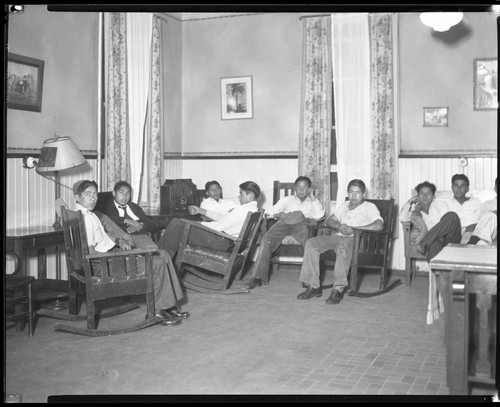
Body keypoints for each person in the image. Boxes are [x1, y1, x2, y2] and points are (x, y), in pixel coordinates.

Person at [72, 180, 190, 326]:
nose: (93, 198)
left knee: (163, 255)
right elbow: (91, 253)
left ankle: (170, 305)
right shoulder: (86, 218)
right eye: (87, 194)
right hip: (104, 264)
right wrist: (121, 257)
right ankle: (158, 310)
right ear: (77, 197)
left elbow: (101, 237)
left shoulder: (86, 214)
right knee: (158, 262)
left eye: (95, 194)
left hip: (109, 256)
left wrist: (118, 240)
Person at [297, 179, 383, 305]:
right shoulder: (345, 205)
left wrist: (355, 229)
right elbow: (330, 220)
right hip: (336, 236)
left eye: (357, 192)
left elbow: (378, 225)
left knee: (343, 246)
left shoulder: (370, 207)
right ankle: (313, 286)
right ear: (348, 193)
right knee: (311, 243)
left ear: (363, 194)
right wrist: (338, 226)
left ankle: (338, 289)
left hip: (355, 239)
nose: (354, 195)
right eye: (351, 192)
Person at [246, 176, 325, 289]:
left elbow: (319, 216)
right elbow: (268, 213)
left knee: (308, 239)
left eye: (304, 187)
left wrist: (312, 198)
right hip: (283, 224)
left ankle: (307, 279)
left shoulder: (313, 202)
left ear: (309, 189)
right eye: (298, 187)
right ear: (294, 188)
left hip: (302, 225)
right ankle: (257, 277)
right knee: (266, 240)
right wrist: (277, 215)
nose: (301, 190)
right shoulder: (286, 200)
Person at [157, 181, 261, 265]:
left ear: (250, 195)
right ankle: (162, 260)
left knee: (176, 223)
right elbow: (224, 218)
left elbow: (218, 226)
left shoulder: (241, 210)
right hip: (228, 241)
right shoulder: (253, 210)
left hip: (222, 241)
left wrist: (196, 223)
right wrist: (201, 211)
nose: (239, 196)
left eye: (241, 193)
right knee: (180, 224)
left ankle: (158, 261)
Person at [415, 174, 481, 260]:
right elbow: (426, 200)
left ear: (467, 189)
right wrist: (418, 206)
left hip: (469, 235)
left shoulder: (476, 202)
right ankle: (435, 272)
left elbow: (483, 219)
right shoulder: (444, 201)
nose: (459, 188)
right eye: (456, 185)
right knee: (451, 217)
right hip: (451, 235)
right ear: (452, 187)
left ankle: (424, 243)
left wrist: (475, 226)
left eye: (462, 186)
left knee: (452, 216)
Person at [104, 181, 158, 249]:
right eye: (121, 193)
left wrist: (139, 225)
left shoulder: (134, 207)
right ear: (114, 193)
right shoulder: (108, 206)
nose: (125, 196)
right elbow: (107, 220)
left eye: (128, 193)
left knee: (175, 224)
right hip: (125, 239)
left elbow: (152, 226)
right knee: (157, 254)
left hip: (142, 236)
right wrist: (126, 220)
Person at [400, 181, 449, 246]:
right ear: (417, 196)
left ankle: (427, 237)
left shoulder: (441, 206)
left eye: (428, 193)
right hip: (429, 243)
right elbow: (402, 218)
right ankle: (427, 238)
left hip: (440, 239)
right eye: (422, 193)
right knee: (435, 244)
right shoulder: (414, 210)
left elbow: (445, 225)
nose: (425, 196)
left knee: (451, 216)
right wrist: (409, 201)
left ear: (433, 196)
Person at [467, 178, 497, 245]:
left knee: (481, 243)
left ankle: (472, 243)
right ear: (495, 189)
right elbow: (481, 224)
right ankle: (476, 241)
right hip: (491, 234)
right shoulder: (487, 205)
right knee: (491, 215)